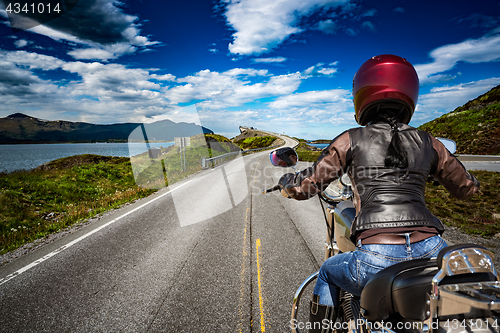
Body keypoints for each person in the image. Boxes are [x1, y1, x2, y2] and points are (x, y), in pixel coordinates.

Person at [278, 54, 480, 332]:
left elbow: (307, 185)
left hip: (378, 254)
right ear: (410, 92)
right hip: (433, 248)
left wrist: (287, 183)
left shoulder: (350, 139)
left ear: (362, 93)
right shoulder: (429, 142)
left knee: (327, 272)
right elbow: (467, 189)